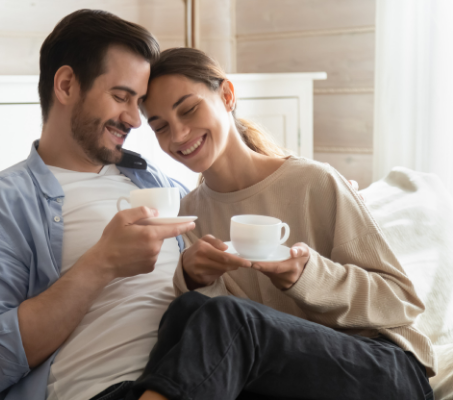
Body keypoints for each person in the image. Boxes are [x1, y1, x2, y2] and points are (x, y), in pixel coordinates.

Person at [123, 47, 435, 400]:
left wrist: (305, 276)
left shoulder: (313, 182)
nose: (178, 135)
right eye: (160, 127)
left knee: (229, 317)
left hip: (385, 368)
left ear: (226, 95)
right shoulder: (188, 215)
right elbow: (219, 349)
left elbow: (400, 301)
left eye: (189, 109)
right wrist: (194, 280)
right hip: (289, 378)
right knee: (187, 310)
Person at [0, 10, 196, 400]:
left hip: (207, 370)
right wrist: (101, 264)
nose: (134, 119)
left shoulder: (160, 183)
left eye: (138, 103)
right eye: (121, 96)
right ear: (66, 84)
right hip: (107, 390)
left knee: (242, 326)